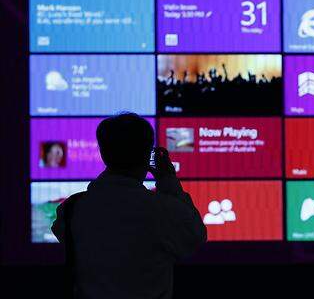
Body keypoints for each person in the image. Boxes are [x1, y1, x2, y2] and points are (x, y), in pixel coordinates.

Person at [52, 112, 207, 299]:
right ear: (147, 154)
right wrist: (168, 180)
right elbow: (194, 237)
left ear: (102, 152)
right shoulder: (164, 210)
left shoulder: (71, 209)